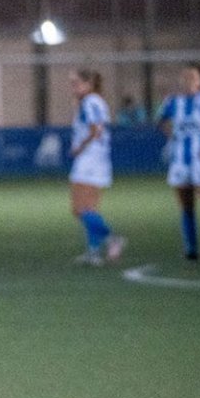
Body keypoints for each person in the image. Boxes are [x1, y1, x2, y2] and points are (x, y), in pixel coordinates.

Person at [68, 70, 126, 266]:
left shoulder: (90, 102)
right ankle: (93, 252)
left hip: (89, 159)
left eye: (76, 83)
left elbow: (95, 130)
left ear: (88, 84)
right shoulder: (96, 101)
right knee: (90, 209)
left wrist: (79, 148)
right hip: (98, 159)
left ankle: (112, 238)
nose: (73, 88)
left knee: (78, 209)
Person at [157, 64, 200, 260]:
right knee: (186, 205)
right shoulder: (173, 102)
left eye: (193, 76)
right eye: (185, 76)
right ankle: (191, 249)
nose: (188, 80)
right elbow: (161, 121)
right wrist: (172, 136)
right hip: (180, 161)